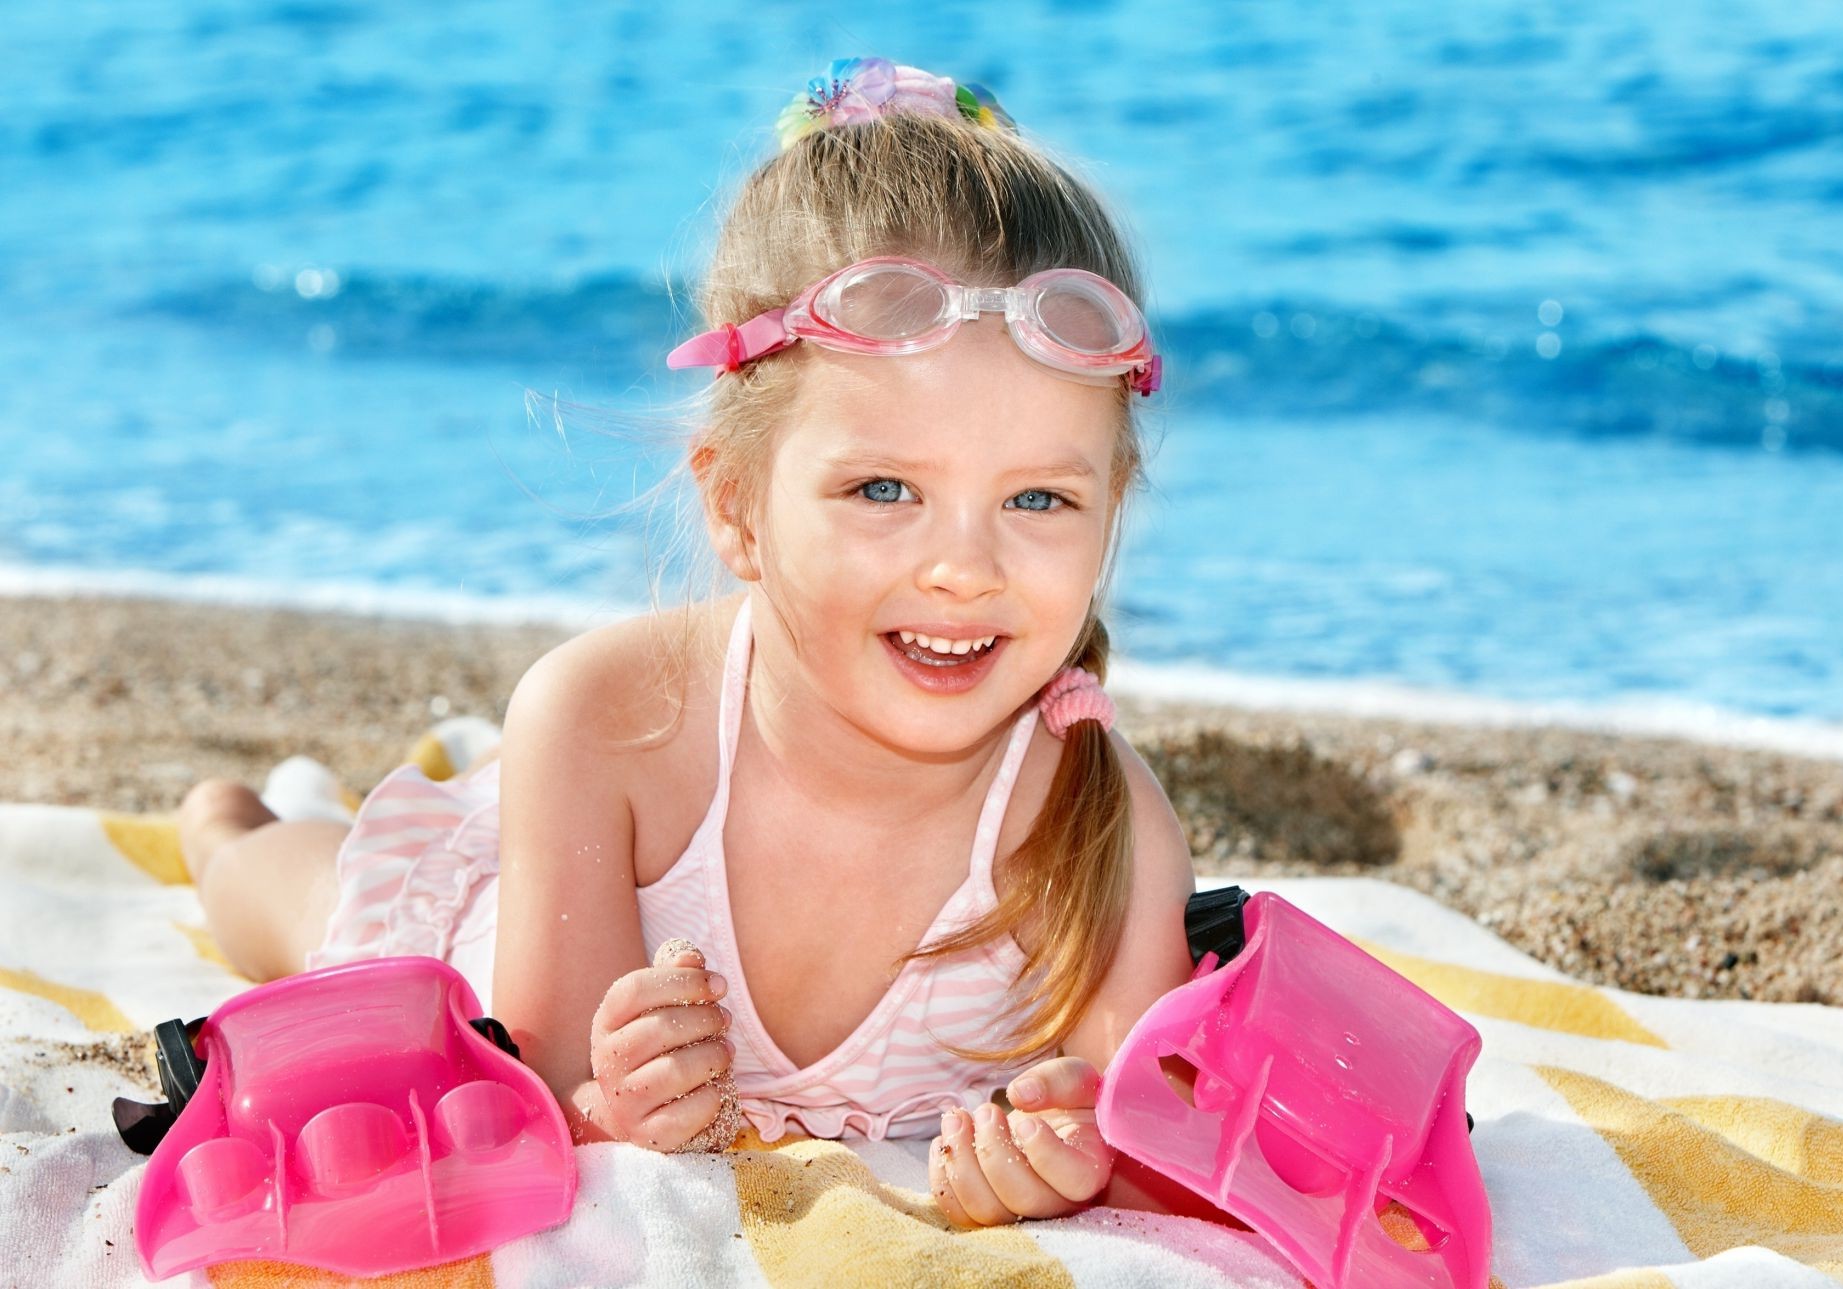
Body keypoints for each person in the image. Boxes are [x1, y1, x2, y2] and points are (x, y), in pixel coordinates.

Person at [175, 55, 1217, 1230]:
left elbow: (1136, 1139)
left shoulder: (1104, 822)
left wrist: (1063, 1163)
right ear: (735, 506)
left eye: (1039, 500)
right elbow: (541, 1091)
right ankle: (227, 825)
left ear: (1112, 510)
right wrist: (610, 1097)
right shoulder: (605, 716)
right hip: (500, 921)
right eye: (883, 487)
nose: (964, 567)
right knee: (310, 903)